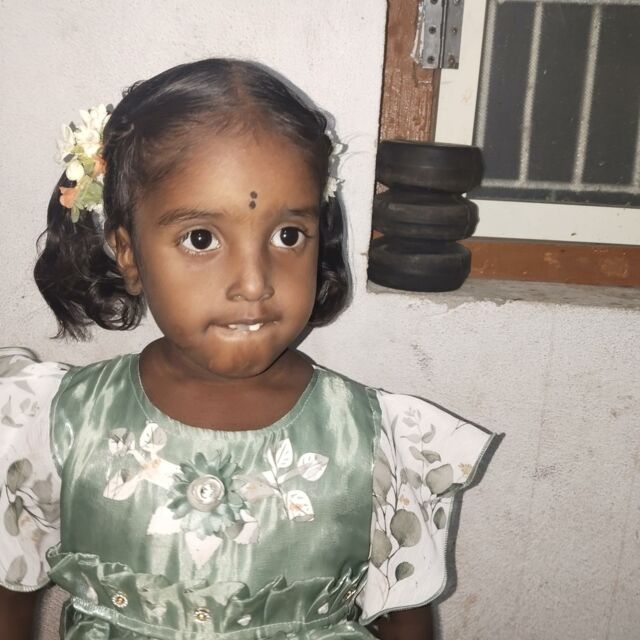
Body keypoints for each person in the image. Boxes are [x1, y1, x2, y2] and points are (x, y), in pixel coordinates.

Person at [0, 58, 495, 640]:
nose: (254, 283)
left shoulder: (377, 441)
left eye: (288, 236)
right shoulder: (55, 424)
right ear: (128, 253)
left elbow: (406, 619)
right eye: (201, 238)